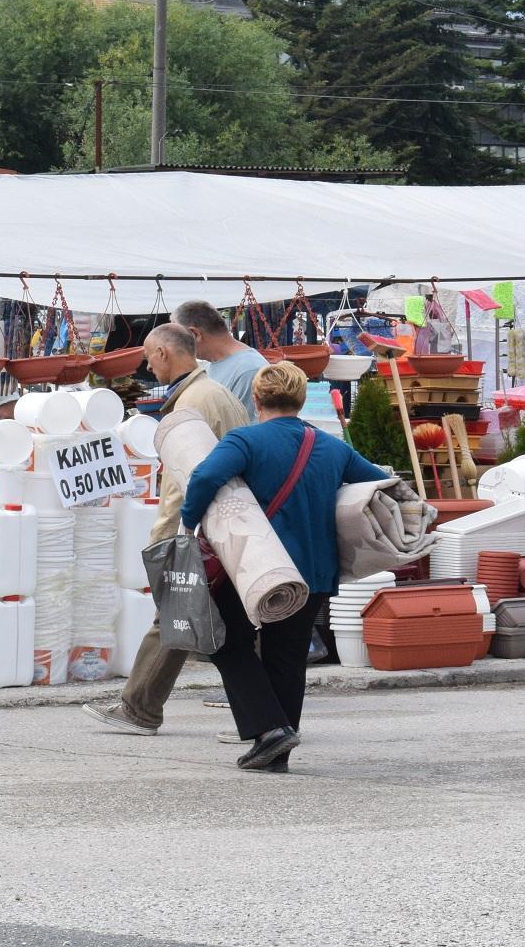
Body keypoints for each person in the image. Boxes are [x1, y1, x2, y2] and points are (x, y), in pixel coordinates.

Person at [179, 362, 390, 772]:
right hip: (314, 570)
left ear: (256, 400)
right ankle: (277, 751)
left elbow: (205, 477)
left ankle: (269, 729)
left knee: (225, 641)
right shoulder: (331, 446)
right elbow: (377, 482)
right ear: (299, 399)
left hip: (254, 567)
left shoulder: (245, 440)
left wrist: (189, 521)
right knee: (287, 657)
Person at [83, 323, 249, 737]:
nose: (146, 366)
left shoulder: (191, 403)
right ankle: (263, 718)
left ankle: (139, 708)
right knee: (217, 623)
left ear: (162, 354)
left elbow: (181, 483)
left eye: (147, 356)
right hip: (229, 525)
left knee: (175, 616)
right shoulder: (217, 392)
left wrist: (164, 536)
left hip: (198, 528)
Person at [174, 300, 270, 421]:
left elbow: (245, 429)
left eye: (178, 338)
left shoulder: (249, 370)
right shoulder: (209, 364)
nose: (176, 345)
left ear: (195, 334)